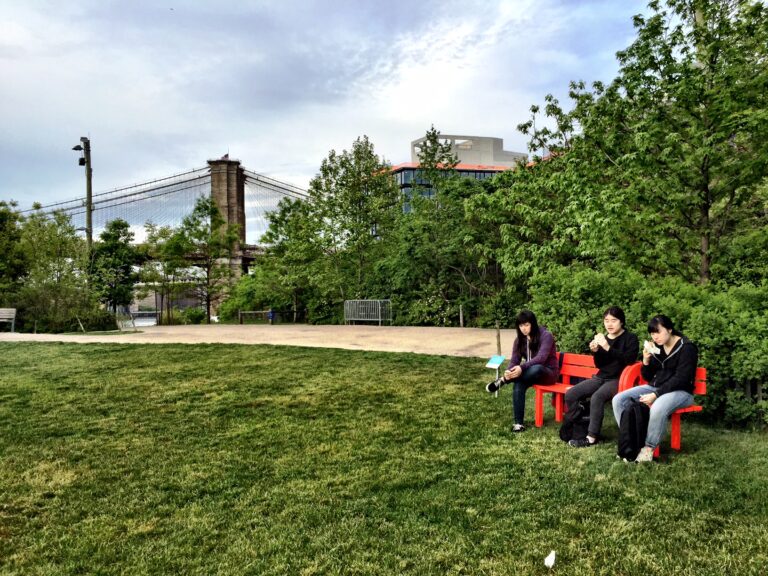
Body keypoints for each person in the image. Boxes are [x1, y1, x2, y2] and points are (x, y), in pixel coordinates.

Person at [611, 315, 698, 462]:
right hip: (656, 387)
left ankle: (648, 449)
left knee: (658, 406)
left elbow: (681, 378)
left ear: (669, 330)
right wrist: (646, 361)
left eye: (658, 332)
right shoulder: (657, 347)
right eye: (652, 333)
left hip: (681, 391)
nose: (655, 336)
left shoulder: (687, 347)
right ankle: (632, 440)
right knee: (618, 399)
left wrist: (656, 394)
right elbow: (648, 375)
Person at [565, 306, 639, 447]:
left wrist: (607, 348)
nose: (609, 324)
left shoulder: (630, 338)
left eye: (613, 320)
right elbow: (600, 365)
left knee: (597, 397)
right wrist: (596, 351)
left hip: (619, 379)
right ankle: (580, 425)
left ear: (621, 322)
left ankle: (592, 437)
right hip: (600, 377)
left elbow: (629, 359)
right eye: (606, 321)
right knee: (571, 394)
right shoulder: (604, 339)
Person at [486, 310, 558, 432]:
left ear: (533, 324)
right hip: (529, 374)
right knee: (519, 382)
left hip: (548, 374)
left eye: (526, 325)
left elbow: (541, 358)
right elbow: (514, 360)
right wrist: (509, 371)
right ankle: (518, 424)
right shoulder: (519, 340)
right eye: (520, 326)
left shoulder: (546, 336)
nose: (523, 329)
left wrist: (521, 368)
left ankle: (503, 381)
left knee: (537, 368)